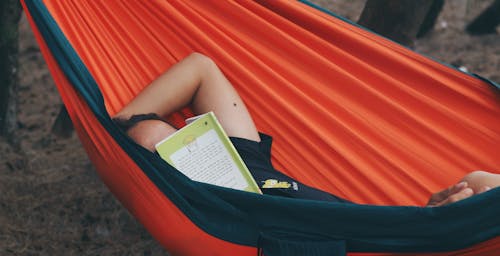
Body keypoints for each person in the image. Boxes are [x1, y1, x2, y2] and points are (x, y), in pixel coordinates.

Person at [113, 52, 499, 207]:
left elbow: (201, 68)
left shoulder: (241, 159)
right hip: (382, 240)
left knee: (479, 184)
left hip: (396, 228)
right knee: (480, 195)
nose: (181, 142)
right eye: (169, 146)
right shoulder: (228, 210)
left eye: (182, 138)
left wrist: (128, 121)